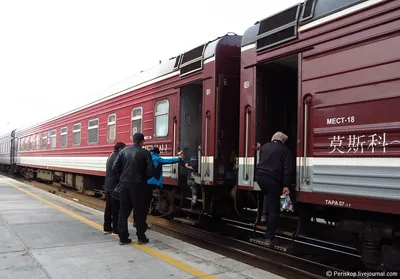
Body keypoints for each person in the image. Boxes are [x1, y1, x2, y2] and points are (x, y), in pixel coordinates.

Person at [112, 133, 154, 245]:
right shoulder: (145, 153)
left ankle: (123, 238)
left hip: (124, 186)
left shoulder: (123, 152)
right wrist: (143, 178)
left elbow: (115, 167)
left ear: (133, 140)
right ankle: (141, 237)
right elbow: (151, 172)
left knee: (123, 212)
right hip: (139, 187)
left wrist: (121, 177)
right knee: (139, 212)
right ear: (142, 142)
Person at [255, 131, 293, 245]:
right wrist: (286, 185)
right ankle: (269, 237)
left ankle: (263, 215)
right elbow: (287, 170)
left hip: (260, 177)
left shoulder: (264, 147)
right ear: (283, 141)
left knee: (268, 193)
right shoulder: (285, 150)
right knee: (274, 210)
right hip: (272, 180)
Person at [103, 142, 126, 235]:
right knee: (116, 208)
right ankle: (116, 229)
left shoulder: (111, 155)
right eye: (124, 149)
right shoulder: (119, 157)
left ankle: (107, 227)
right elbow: (118, 170)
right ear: (120, 149)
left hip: (108, 184)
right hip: (115, 185)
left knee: (108, 207)